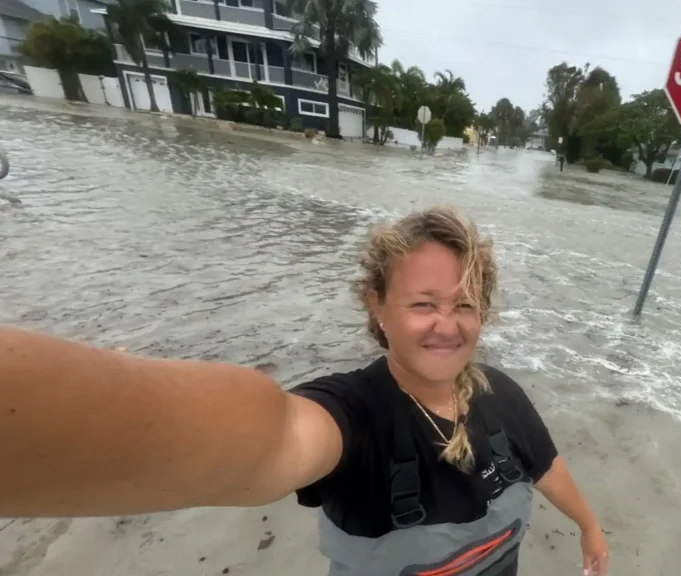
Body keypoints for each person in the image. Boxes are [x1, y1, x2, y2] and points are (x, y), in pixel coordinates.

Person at [0, 207, 609, 576]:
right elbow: (272, 439)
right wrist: (124, 401)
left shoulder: (501, 394)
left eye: (465, 305)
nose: (447, 325)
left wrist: (589, 526)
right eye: (423, 304)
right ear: (377, 305)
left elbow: (544, 462)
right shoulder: (355, 416)